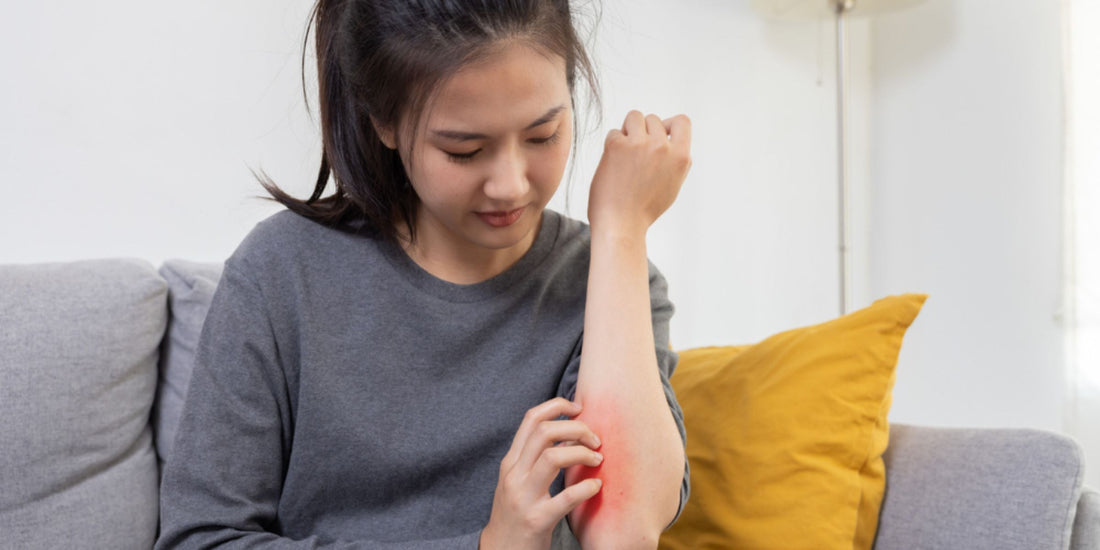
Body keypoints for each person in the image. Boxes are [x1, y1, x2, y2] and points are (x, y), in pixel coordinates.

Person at [156, 1, 692, 548]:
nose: (510, 184)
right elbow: (200, 539)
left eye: (542, 135)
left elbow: (623, 533)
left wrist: (622, 231)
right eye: (464, 150)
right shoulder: (281, 273)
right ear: (383, 122)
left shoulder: (610, 283)